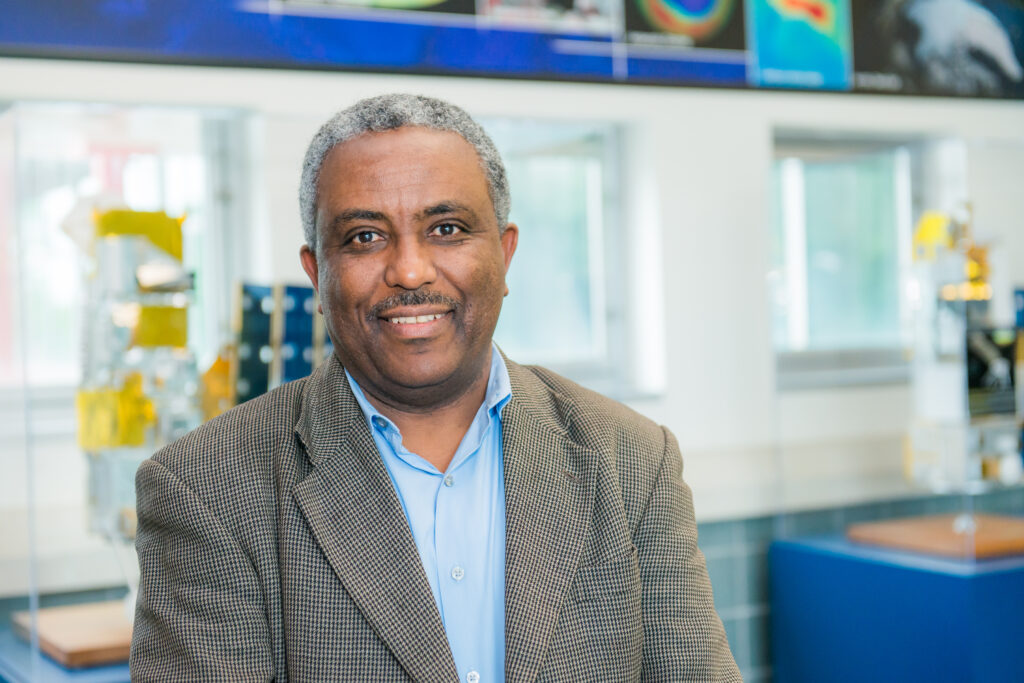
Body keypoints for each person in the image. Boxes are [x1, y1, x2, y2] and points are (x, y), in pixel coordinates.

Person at [130, 93, 741, 682]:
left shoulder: (631, 458)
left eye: (446, 228)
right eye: (365, 237)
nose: (411, 270)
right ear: (317, 274)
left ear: (504, 257)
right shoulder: (204, 485)